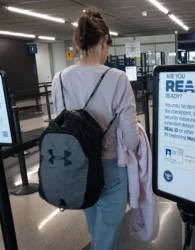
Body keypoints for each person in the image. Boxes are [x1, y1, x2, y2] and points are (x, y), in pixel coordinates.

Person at [51, 9, 139, 250]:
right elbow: (131, 140)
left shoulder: (58, 79)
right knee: (108, 230)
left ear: (79, 43)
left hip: (77, 166)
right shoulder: (118, 79)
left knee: (95, 223)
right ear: (103, 42)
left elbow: (60, 124)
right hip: (110, 166)